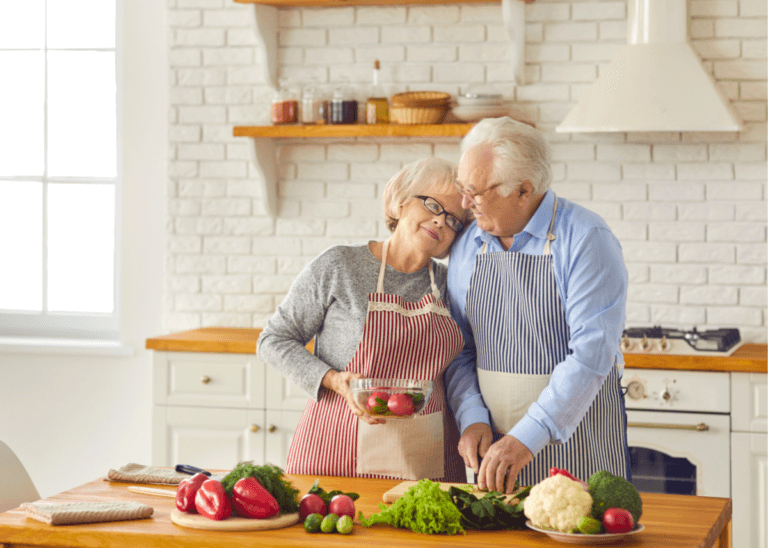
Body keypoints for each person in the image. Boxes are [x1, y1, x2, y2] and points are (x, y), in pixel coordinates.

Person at [257, 157, 472, 482]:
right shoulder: (340, 266)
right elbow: (273, 340)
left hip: (424, 460)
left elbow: (465, 365)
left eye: (454, 219)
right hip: (335, 449)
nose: (441, 221)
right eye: (432, 205)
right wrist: (333, 380)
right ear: (400, 200)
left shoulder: (454, 283)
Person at [445, 117, 630, 494]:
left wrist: (528, 436)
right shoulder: (469, 245)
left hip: (577, 446)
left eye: (476, 192)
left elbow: (591, 355)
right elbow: (460, 347)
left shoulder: (585, 239)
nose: (465, 204)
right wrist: (472, 417)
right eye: (463, 188)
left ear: (524, 190)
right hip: (493, 455)